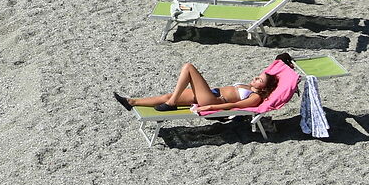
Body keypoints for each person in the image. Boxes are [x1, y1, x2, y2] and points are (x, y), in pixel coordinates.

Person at [117, 54, 300, 115]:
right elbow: (278, 63)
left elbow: (234, 105)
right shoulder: (250, 88)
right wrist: (286, 63)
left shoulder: (255, 98)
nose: (255, 79)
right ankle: (131, 102)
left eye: (259, 80)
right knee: (168, 96)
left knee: (188, 68)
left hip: (212, 99)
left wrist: (209, 107)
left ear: (264, 88)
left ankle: (172, 104)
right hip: (210, 92)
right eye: (257, 77)